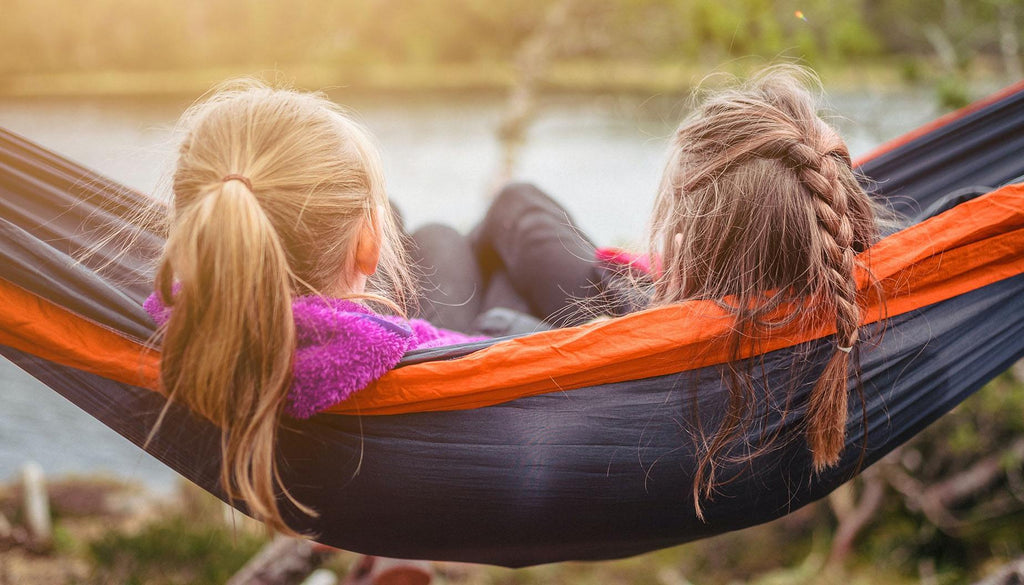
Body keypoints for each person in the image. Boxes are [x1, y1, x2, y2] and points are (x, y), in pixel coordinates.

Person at [143, 81, 480, 535]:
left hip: (344, 476)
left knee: (406, 218)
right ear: (369, 244)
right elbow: (500, 355)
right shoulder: (408, 350)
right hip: (479, 359)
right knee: (469, 226)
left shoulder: (181, 325)